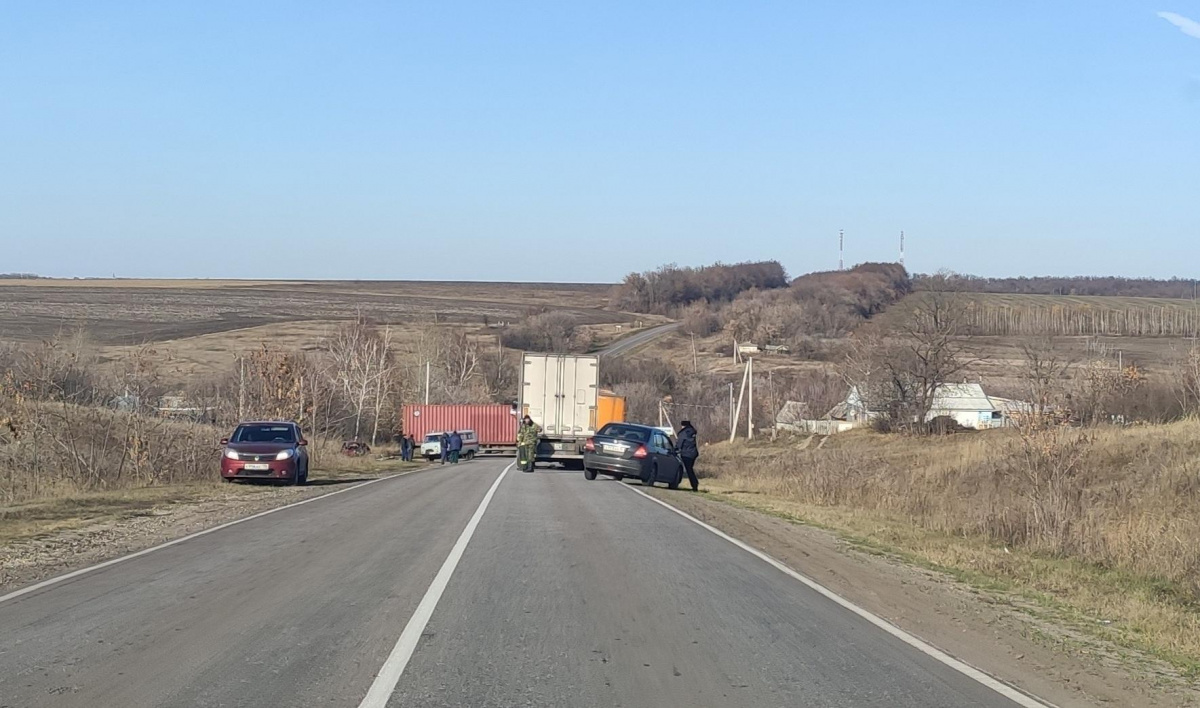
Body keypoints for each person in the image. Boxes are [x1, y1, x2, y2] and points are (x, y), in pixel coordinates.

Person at [676, 420, 700, 491]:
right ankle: (694, 484)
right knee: (689, 469)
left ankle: (694, 484)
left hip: (686, 454)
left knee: (684, 469)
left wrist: (675, 449)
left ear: (683, 426)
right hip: (693, 453)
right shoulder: (692, 432)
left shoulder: (683, 433)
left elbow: (679, 444)